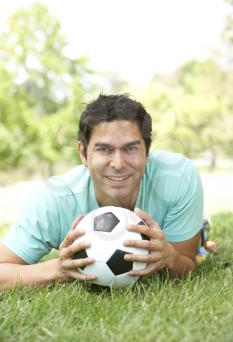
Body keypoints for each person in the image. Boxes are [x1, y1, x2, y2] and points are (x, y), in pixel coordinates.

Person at [0, 94, 205, 290]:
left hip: (174, 212)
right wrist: (57, 270)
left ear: (147, 151)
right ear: (83, 152)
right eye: (104, 149)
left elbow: (187, 265)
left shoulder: (178, 177)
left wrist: (171, 258)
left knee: (198, 243)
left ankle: (199, 227)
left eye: (131, 148)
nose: (118, 164)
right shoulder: (56, 198)